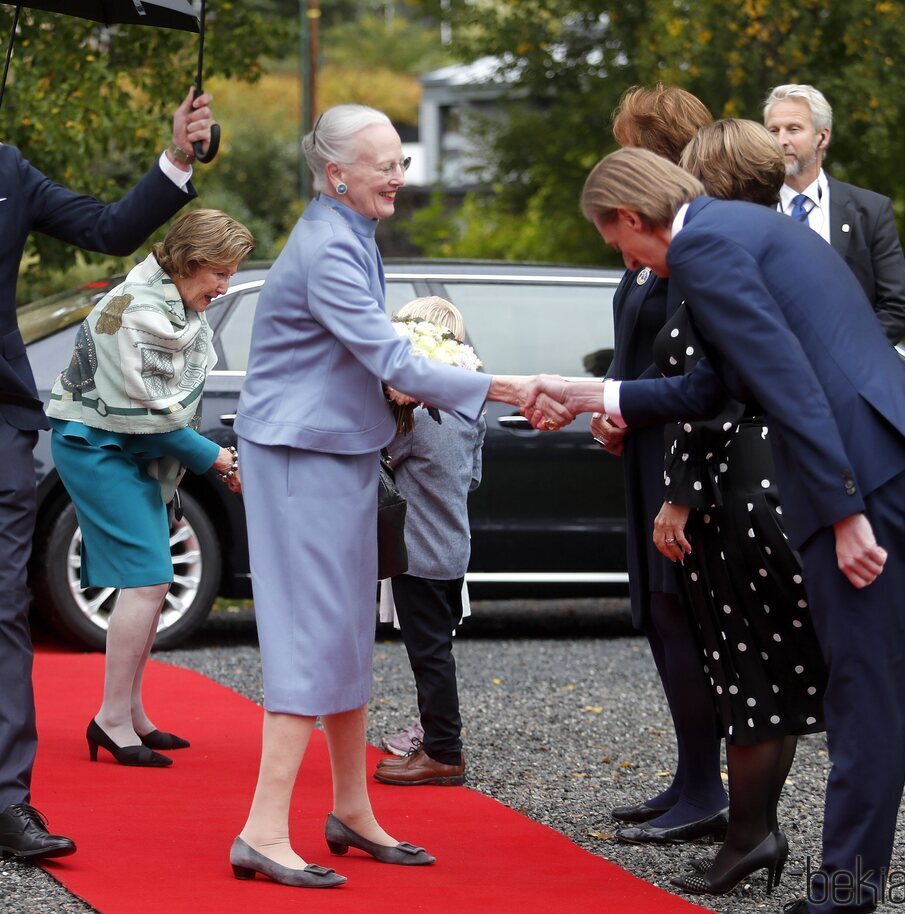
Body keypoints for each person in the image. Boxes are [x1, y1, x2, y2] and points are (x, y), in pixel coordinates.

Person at [525, 147, 905, 914]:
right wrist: (589, 391)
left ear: (629, 217)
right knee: (873, 693)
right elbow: (715, 383)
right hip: (897, 449)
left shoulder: (702, 248)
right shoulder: (739, 228)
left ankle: (842, 902)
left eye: (615, 242)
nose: (625, 258)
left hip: (862, 474)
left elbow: (786, 380)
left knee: (863, 696)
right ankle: (846, 894)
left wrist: (845, 510)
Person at [230, 103, 537, 889]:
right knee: (312, 636)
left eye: (401, 160)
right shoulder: (330, 245)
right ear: (338, 174)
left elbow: (377, 359)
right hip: (303, 458)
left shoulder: (346, 234)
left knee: (344, 635)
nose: (401, 176)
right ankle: (263, 832)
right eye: (387, 163)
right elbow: (390, 356)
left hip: (333, 453)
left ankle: (351, 812)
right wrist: (504, 385)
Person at [0, 87, 216, 859]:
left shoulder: (10, 171)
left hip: (3, 424)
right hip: (69, 436)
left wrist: (178, 155)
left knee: (5, 616)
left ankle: (7, 802)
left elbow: (107, 228)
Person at [637, 119, 828, 897]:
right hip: (767, 482)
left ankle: (752, 836)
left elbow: (718, 395)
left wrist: (678, 496)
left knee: (751, 674)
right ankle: (752, 833)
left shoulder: (722, 259)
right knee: (765, 674)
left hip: (741, 489)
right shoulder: (781, 249)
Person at [45, 209, 253, 768]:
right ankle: (111, 719)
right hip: (99, 449)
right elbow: (158, 417)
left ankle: (131, 712)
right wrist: (218, 460)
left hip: (127, 448)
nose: (225, 285)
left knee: (153, 583)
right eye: (220, 273)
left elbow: (161, 414)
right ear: (189, 264)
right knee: (149, 578)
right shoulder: (137, 311)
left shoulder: (173, 306)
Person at [595, 85, 729, 843]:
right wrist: (615, 411)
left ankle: (708, 791)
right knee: (658, 612)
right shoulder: (650, 243)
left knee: (684, 613)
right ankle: (690, 776)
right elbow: (636, 348)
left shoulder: (695, 244)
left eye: (629, 142)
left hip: (683, 450)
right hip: (643, 442)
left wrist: (635, 405)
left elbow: (700, 367)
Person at [373, 296, 486, 787]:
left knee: (429, 654)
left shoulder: (418, 421)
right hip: (452, 547)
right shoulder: (468, 414)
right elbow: (474, 480)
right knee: (437, 649)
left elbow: (378, 457)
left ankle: (443, 750)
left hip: (418, 552)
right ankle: (439, 743)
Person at [763, 83, 905, 344]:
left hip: (846, 377)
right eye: (773, 130)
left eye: (794, 129)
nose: (781, 141)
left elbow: (897, 309)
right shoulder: (750, 208)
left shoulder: (870, 211)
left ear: (823, 137)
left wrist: (846, 356)